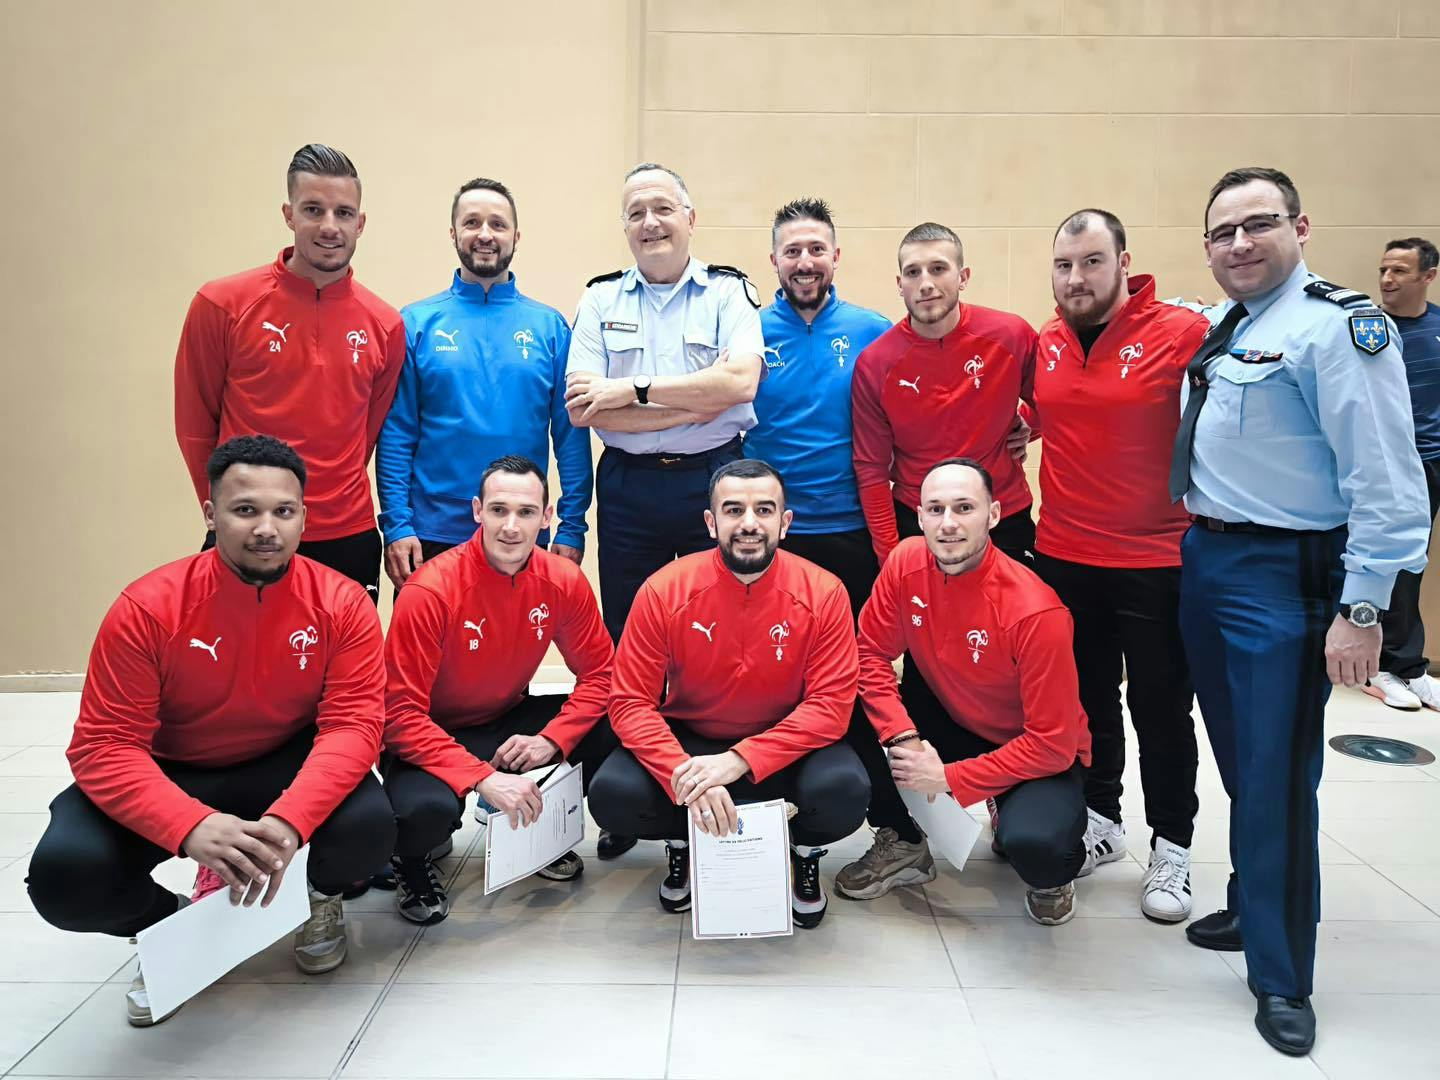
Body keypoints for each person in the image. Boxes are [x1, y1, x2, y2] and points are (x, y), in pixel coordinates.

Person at [1170, 167, 1429, 1056]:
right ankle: (1253, 905)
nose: (1238, 244)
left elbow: (1390, 483)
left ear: (1301, 226)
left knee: (1279, 778)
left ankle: (1282, 977)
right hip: (1207, 557)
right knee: (1243, 760)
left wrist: (1365, 609)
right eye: (1222, 232)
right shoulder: (1230, 325)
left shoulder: (1337, 330)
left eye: (1257, 225)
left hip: (1284, 572)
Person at [26, 436, 394, 1027]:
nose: (266, 528)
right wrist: (187, 824)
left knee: (372, 829)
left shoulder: (342, 602)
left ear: (305, 516)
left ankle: (317, 901)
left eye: (284, 511)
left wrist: (289, 820)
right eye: (245, 509)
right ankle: (171, 929)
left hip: (281, 760)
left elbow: (353, 726)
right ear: (211, 514)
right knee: (65, 876)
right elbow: (103, 746)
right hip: (171, 766)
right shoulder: (148, 607)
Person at [589, 459, 868, 928]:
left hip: (784, 745)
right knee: (612, 794)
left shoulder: (825, 592)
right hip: (692, 742)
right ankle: (684, 842)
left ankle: (803, 854)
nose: (749, 524)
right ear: (710, 521)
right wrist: (683, 772)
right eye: (734, 510)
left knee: (845, 791)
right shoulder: (663, 590)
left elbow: (830, 708)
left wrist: (740, 759)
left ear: (786, 521)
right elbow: (629, 701)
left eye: (764, 509)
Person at [1030, 209, 1211, 922]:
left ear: (1124, 263)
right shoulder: (1044, 341)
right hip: (1065, 554)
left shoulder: (1182, 333)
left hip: (1156, 558)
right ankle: (1102, 817)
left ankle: (1173, 845)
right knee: (1086, 700)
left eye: (1092, 262)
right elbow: (1041, 416)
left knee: (1161, 707)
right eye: (1065, 264)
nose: (1077, 278)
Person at [835, 458, 1091, 926]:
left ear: (993, 515)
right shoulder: (906, 562)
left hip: (1030, 747)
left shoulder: (1035, 612)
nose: (948, 523)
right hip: (951, 718)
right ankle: (904, 843)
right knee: (843, 705)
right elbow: (868, 654)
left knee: (1039, 848)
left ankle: (1052, 872)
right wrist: (902, 738)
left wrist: (949, 779)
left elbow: (1053, 744)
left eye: (964, 508)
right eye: (935, 509)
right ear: (918, 516)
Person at [380, 456, 627, 924]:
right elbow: (397, 715)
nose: (511, 526)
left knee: (616, 727)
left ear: (547, 516)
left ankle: (534, 835)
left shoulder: (562, 579)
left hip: (506, 718)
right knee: (422, 814)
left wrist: (551, 739)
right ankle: (410, 861)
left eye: (526, 512)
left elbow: (603, 675)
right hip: (431, 732)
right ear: (477, 511)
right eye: (498, 510)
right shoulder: (429, 590)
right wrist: (481, 777)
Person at [174, 144, 405, 601]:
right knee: (239, 669)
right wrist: (230, 510)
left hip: (346, 534)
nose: (328, 226)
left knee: (341, 671)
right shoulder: (223, 305)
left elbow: (367, 436)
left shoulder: (385, 324)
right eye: (313, 210)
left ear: (360, 223)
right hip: (248, 531)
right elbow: (196, 426)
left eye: (343, 213)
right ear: (288, 213)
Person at [564, 163, 765, 641]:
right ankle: (635, 716)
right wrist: (701, 403)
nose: (650, 222)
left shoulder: (727, 292)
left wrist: (634, 389)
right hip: (628, 484)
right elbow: (582, 408)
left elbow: (740, 385)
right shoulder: (599, 299)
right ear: (626, 227)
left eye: (662, 208)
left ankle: (711, 716)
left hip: (713, 476)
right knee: (630, 625)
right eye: (636, 213)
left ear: (690, 219)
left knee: (719, 619)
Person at [376, 178, 591, 592]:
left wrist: (571, 527)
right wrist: (397, 524)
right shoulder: (415, 324)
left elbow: (570, 437)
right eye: (472, 222)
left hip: (520, 530)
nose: (486, 234)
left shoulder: (549, 328)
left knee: (509, 652)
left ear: (516, 236)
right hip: (429, 534)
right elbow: (397, 434)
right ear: (454, 233)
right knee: (427, 655)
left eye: (498, 223)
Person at [851, 222, 1038, 568]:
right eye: (913, 272)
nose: (926, 283)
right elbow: (871, 469)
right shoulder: (875, 364)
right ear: (899, 284)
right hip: (919, 518)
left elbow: (1058, 401)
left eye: (938, 269)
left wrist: (1027, 424)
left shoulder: (1011, 336)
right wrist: (890, 556)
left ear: (963, 276)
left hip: (1004, 514)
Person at [745, 196, 893, 617]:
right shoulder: (748, 332)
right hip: (774, 528)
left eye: (816, 249)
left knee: (853, 660)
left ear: (836, 256)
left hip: (852, 525)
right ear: (774, 259)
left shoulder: (873, 330)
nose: (805, 262)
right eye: (792, 252)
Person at [1365, 237, 1440, 710]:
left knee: (1413, 563)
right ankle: (1377, 666)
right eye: (1384, 270)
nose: (1388, 280)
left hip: (1430, 463)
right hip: (1382, 463)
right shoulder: (1365, 326)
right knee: (1379, 564)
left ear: (1428, 275)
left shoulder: (1437, 327)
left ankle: (1408, 665)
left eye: (1400, 271)